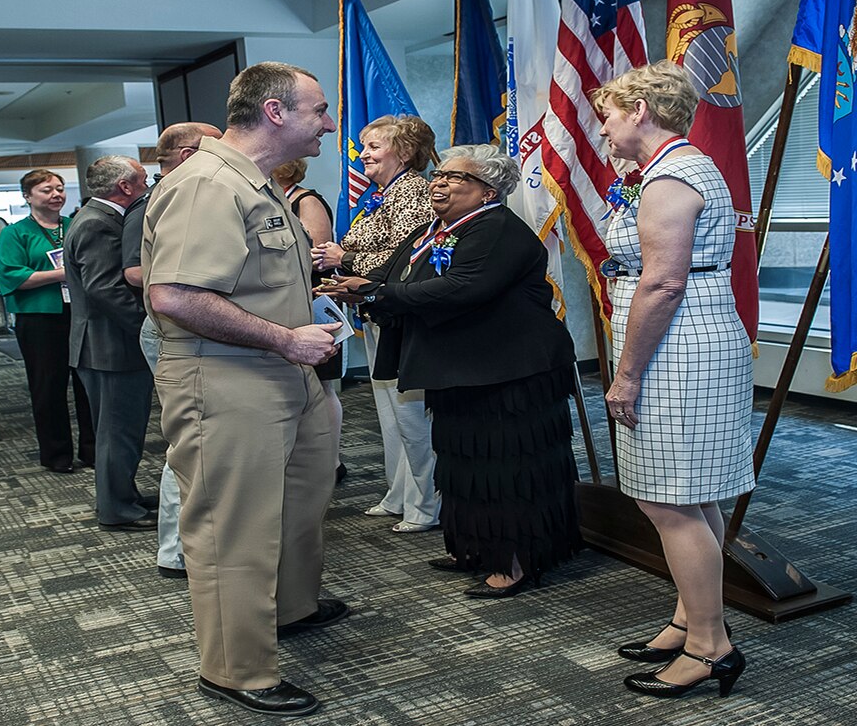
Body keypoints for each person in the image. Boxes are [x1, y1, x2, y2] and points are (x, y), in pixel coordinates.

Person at [142, 62, 345, 718]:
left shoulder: (253, 183)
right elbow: (174, 295)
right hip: (225, 377)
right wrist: (286, 340)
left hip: (283, 372)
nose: (330, 122)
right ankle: (236, 669)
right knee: (235, 527)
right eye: (319, 110)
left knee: (297, 505)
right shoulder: (205, 184)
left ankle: (290, 609)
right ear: (277, 112)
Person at [320, 145, 581, 598]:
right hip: (462, 369)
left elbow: (461, 288)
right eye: (437, 174)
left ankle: (515, 561)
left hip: (510, 374)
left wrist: (377, 293)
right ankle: (474, 547)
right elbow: (392, 274)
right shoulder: (432, 230)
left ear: (487, 191)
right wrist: (359, 288)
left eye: (453, 177)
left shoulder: (498, 229)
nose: (437, 182)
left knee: (506, 467)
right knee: (464, 464)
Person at [592, 60, 751, 697]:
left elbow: (662, 282)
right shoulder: (662, 172)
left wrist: (626, 376)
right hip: (683, 338)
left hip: (678, 346)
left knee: (669, 499)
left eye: (608, 114)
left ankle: (712, 647)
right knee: (690, 493)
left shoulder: (672, 176)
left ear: (640, 111)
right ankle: (692, 619)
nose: (602, 127)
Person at [311, 114, 439, 533]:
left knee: (413, 416)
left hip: (403, 318)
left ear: (403, 152)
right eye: (363, 146)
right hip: (375, 313)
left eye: (372, 146)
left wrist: (342, 259)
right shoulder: (381, 195)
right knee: (389, 414)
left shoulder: (413, 192)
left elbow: (404, 261)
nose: (362, 154)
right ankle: (399, 493)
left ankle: (426, 505)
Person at [123, 121, 222, 579]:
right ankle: (177, 550)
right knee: (190, 442)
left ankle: (187, 546)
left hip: (185, 328)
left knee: (198, 442)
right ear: (187, 156)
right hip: (172, 328)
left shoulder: (184, 192)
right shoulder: (160, 199)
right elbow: (142, 274)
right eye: (218, 148)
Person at [64, 155, 157, 531]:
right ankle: (117, 508)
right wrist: (149, 326)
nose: (148, 184)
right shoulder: (98, 224)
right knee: (117, 432)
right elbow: (104, 288)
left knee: (122, 430)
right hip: (109, 346)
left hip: (106, 346)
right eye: (143, 178)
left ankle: (123, 496)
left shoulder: (95, 219)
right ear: (125, 186)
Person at [0, 169, 95, 473]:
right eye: (47, 190)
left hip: (79, 314)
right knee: (47, 387)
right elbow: (13, 276)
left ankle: (92, 452)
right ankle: (56, 455)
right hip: (39, 317)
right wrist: (63, 274)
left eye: (60, 188)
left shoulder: (74, 225)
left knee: (87, 385)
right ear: (28, 197)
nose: (56, 195)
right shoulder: (16, 233)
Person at [272, 158, 346, 484]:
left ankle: (331, 462)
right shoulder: (271, 200)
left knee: (322, 386)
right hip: (286, 308)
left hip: (314, 303)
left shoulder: (306, 200)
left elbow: (315, 255)